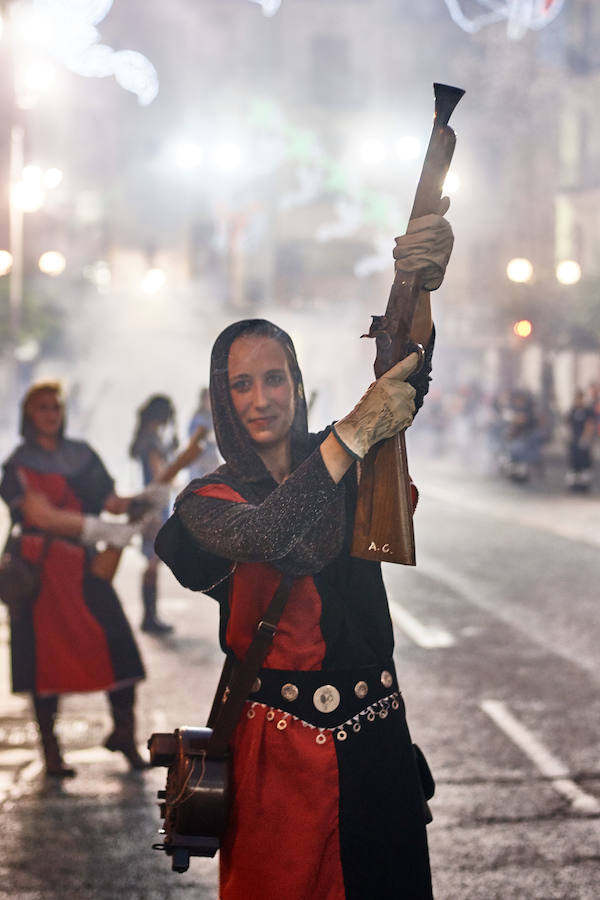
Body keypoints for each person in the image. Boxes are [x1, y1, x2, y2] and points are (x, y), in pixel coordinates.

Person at [155, 211, 453, 899]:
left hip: (376, 745)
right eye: (242, 384)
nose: (262, 399)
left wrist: (425, 284)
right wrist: (352, 434)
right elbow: (274, 536)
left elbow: (405, 376)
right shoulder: (207, 498)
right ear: (223, 399)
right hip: (276, 758)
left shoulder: (353, 454)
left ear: (296, 380)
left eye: (275, 378)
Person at [0, 381, 156, 777]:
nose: (50, 414)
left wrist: (145, 499)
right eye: (42, 408)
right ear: (29, 415)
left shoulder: (81, 456)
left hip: (82, 570)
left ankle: (124, 734)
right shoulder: (16, 465)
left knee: (117, 643)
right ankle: (50, 750)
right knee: (41, 663)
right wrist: (103, 531)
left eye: (55, 407)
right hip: (39, 573)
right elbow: (38, 516)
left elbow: (111, 501)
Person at [129, 395, 206, 633]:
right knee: (153, 559)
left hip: (155, 501)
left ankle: (150, 615)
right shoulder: (150, 441)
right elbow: (158, 473)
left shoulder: (150, 438)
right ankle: (149, 616)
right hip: (153, 503)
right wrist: (180, 462)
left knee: (153, 559)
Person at [565, 388, 596, 491]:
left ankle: (584, 483)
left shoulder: (587, 411)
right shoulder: (572, 410)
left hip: (583, 439)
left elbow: (590, 424)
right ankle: (574, 481)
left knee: (584, 460)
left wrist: (586, 437)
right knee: (574, 461)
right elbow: (569, 423)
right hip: (574, 439)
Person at [187, 388, 221, 480]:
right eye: (208, 399)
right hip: (200, 461)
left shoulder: (213, 416)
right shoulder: (198, 418)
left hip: (211, 460)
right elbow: (194, 440)